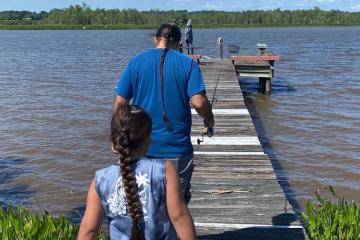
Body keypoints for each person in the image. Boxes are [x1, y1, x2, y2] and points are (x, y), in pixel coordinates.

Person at [113, 23, 214, 205]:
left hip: (141, 149)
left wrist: (116, 136)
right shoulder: (188, 63)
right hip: (177, 151)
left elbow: (120, 103)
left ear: (155, 40)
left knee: (144, 205)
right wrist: (209, 118)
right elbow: (199, 102)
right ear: (179, 43)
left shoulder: (136, 62)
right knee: (177, 208)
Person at [78, 105, 197, 240]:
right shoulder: (164, 170)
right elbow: (179, 217)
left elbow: (89, 230)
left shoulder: (101, 180)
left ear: (114, 144)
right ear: (149, 138)